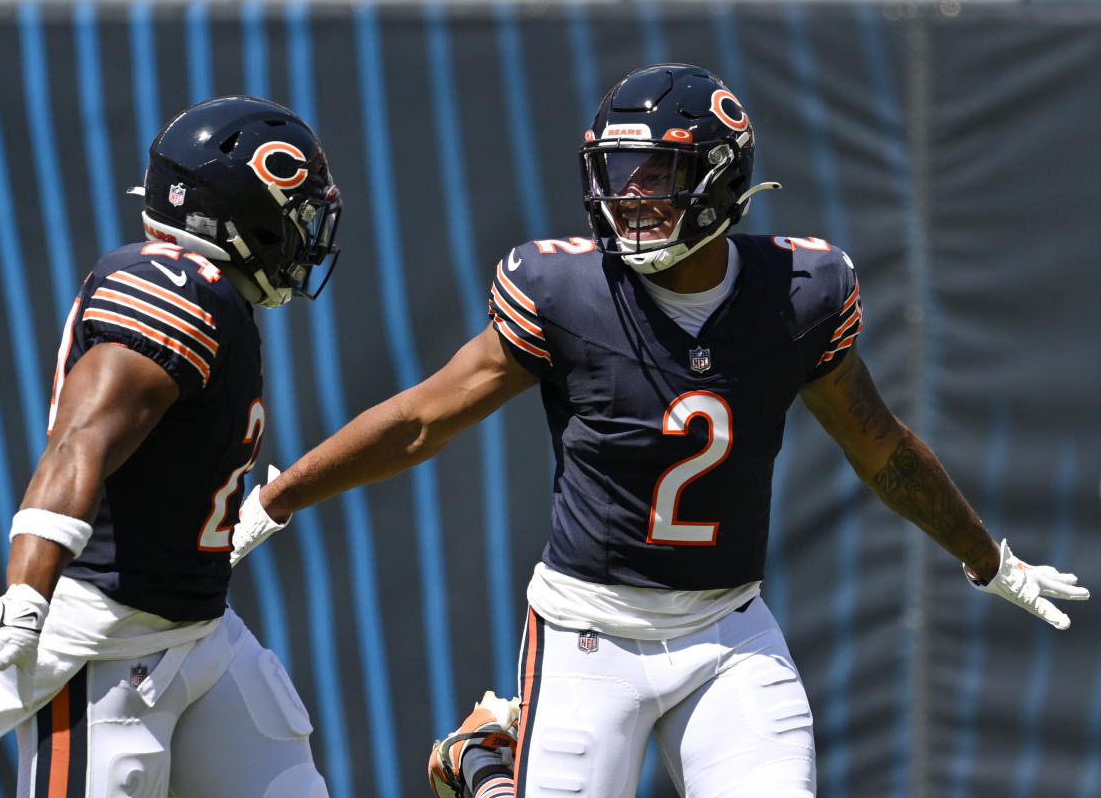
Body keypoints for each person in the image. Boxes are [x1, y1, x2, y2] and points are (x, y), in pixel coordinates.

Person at [231, 64, 1089, 798]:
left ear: (719, 177)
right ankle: (486, 765)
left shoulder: (800, 293)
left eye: (654, 173)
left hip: (729, 631)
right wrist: (277, 497)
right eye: (617, 171)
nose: (628, 195)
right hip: (587, 630)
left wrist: (989, 560)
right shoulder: (566, 292)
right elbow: (421, 421)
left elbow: (881, 447)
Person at [0, 95, 341, 797]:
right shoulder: (171, 283)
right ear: (240, 215)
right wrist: (28, 591)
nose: (307, 236)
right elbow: (79, 441)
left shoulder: (217, 294)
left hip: (202, 627)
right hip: (109, 646)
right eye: (295, 215)